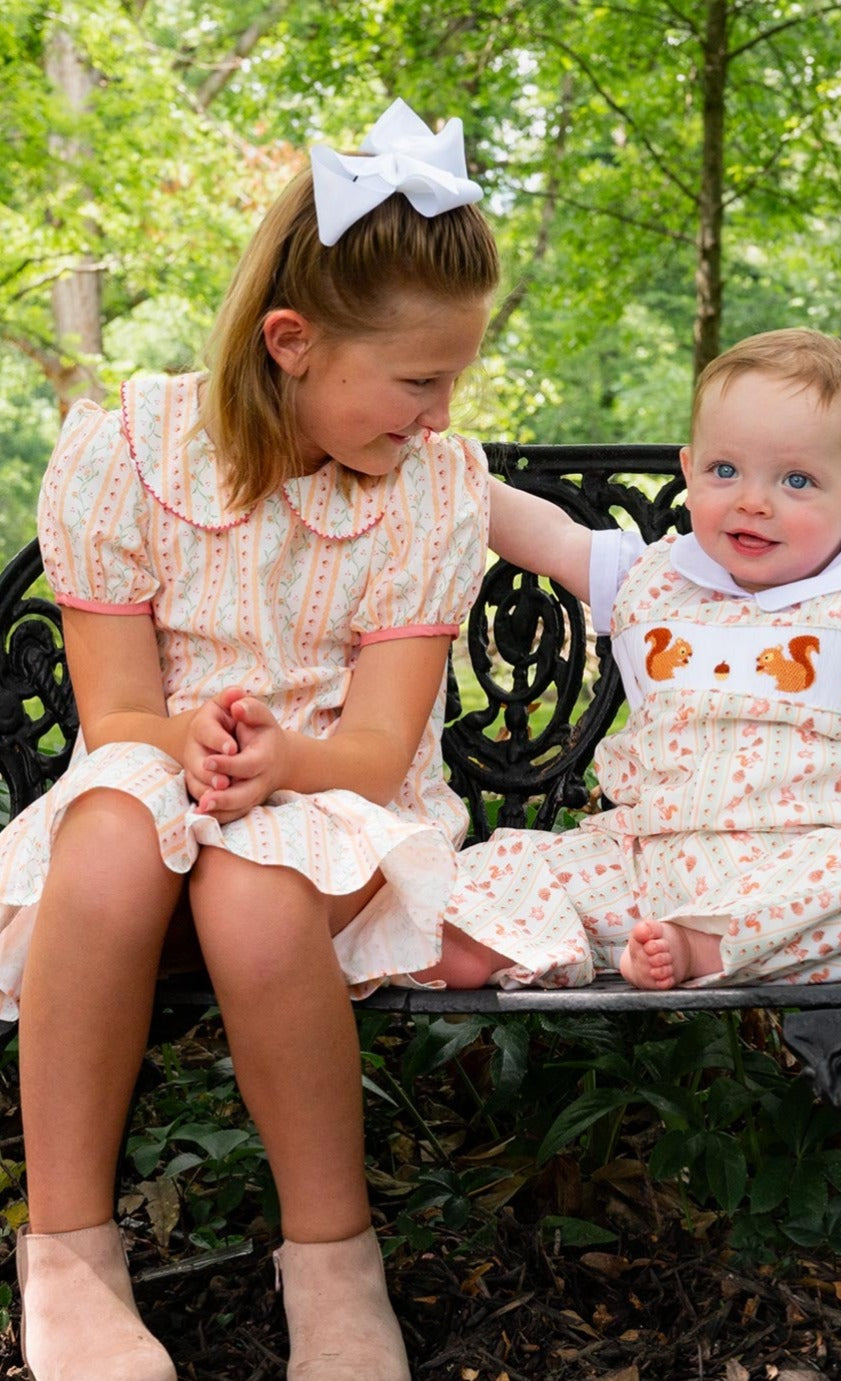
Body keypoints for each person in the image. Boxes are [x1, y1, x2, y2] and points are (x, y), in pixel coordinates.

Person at [0, 98, 504, 1381]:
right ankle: (65, 1257)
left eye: (452, 379)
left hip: (338, 798)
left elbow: (383, 743)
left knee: (257, 881)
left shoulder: (430, 491)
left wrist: (284, 760)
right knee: (114, 824)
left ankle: (334, 1269)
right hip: (158, 776)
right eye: (416, 379)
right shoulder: (130, 455)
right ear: (291, 341)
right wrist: (189, 735)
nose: (439, 414)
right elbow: (114, 718)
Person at [443, 328, 841, 992]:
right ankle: (464, 942)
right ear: (690, 471)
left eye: (797, 480)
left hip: (797, 860)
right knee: (510, 868)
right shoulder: (656, 574)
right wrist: (447, 475)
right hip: (643, 861)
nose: (754, 500)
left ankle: (699, 946)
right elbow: (551, 538)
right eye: (725, 471)